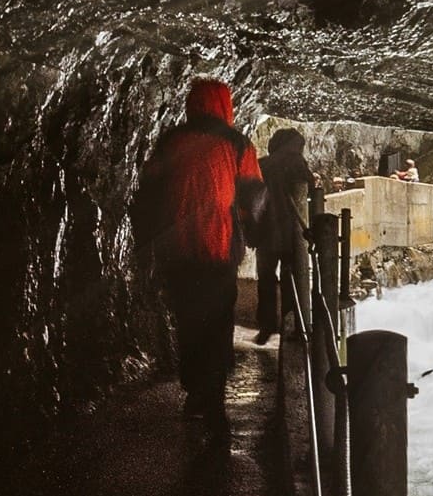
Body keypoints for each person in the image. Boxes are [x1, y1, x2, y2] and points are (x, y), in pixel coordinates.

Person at [132, 77, 265, 420]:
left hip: (176, 250)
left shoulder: (171, 142)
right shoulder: (237, 145)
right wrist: (255, 235)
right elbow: (254, 196)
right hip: (218, 248)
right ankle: (212, 391)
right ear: (226, 106)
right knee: (218, 320)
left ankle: (194, 389)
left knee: (188, 318)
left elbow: (147, 194)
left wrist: (145, 244)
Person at [254, 126, 314, 345]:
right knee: (292, 279)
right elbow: (310, 189)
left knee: (266, 279)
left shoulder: (262, 164)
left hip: (265, 233)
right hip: (291, 236)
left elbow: (251, 196)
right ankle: (291, 325)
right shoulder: (298, 163)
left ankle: (266, 326)